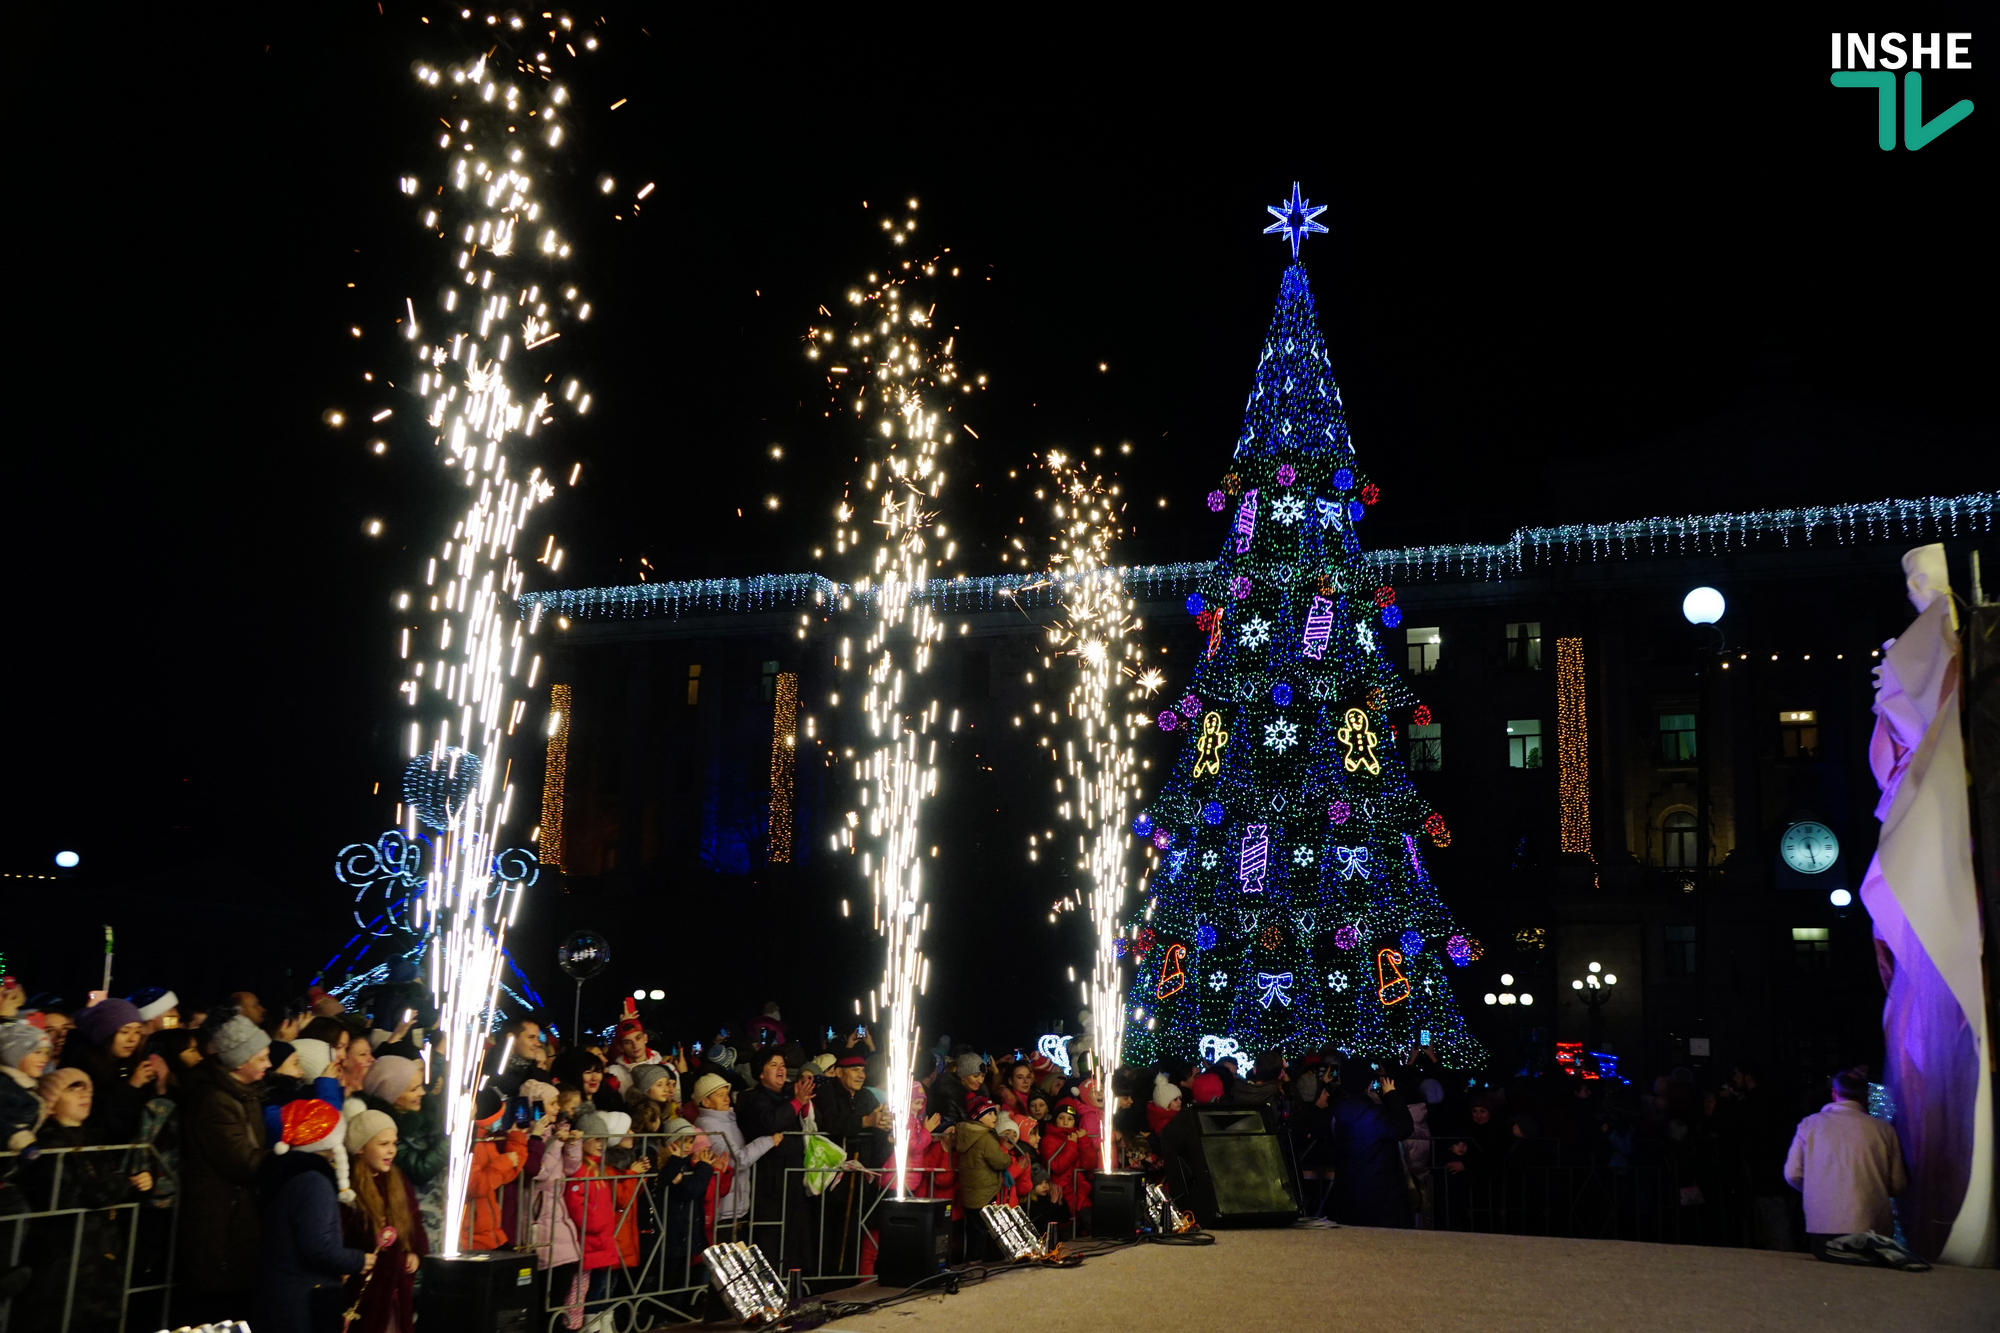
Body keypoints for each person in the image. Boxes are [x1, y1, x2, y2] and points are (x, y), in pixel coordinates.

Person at [17, 1067, 157, 1333]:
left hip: (97, 1262)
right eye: (73, 1089)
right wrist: (125, 1184)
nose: (85, 1095)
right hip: (63, 1264)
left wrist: (139, 1185)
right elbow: (72, 1194)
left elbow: (102, 1187)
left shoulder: (93, 1139)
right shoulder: (45, 1146)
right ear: (51, 1102)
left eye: (87, 1089)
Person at [178, 1014, 273, 1320]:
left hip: (236, 1218)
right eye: (262, 1058)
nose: (269, 1064)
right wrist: (288, 1161)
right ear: (239, 1061)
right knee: (216, 1310)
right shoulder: (215, 1101)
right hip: (219, 1221)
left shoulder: (244, 1094)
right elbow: (242, 1162)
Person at [257, 1097, 368, 1333]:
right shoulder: (314, 1182)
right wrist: (358, 1260)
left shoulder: (285, 1173)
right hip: (305, 1300)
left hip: (282, 1293)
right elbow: (317, 1246)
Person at [1784, 1070, 1910, 1260]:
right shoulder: (1883, 1129)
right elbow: (1898, 1183)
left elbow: (1792, 1173)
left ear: (1834, 1093)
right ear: (1866, 1097)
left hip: (1823, 1223)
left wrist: (1817, 1191)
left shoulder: (1809, 1125)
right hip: (1872, 1226)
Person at [341, 1108, 427, 1333]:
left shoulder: (397, 1180)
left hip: (396, 1287)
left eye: (394, 1143)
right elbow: (341, 1236)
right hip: (364, 1291)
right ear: (361, 1147)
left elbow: (414, 1222)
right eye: (383, 1144)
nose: (392, 1150)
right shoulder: (347, 1189)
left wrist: (414, 1253)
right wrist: (351, 1263)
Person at [691, 1071, 780, 1243]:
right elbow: (738, 1160)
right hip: (723, 1210)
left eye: (727, 1094)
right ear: (705, 1101)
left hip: (734, 1207)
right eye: (720, 1095)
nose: (726, 1098)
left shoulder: (727, 1120)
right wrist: (768, 1141)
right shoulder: (709, 1125)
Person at [63, 997, 166, 1144]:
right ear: (105, 1033)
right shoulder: (81, 1070)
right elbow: (100, 1125)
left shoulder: (134, 1064)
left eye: (138, 1032)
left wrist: (160, 1085)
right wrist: (131, 1086)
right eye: (124, 1032)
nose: (132, 1039)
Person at [1327, 1061, 1415, 1228]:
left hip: (1349, 1193)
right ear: (1368, 1084)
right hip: (1381, 1196)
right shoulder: (1374, 1114)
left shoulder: (1337, 1112)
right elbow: (1405, 1128)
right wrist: (1391, 1095)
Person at [0, 1021, 51, 1153]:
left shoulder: (19, 1087)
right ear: (14, 1054)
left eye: (46, 1053)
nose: (45, 1059)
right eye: (37, 1052)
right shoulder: (5, 1087)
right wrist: (15, 1136)